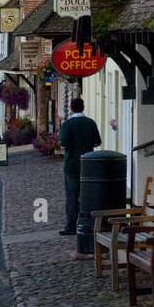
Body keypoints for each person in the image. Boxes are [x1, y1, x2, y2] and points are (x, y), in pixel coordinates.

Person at [58, 96, 101, 234]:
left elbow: (63, 145)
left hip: (71, 165)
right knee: (87, 197)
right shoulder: (90, 123)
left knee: (71, 198)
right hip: (88, 165)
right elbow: (97, 143)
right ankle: (86, 225)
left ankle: (71, 227)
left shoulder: (67, 124)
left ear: (71, 109)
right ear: (83, 107)